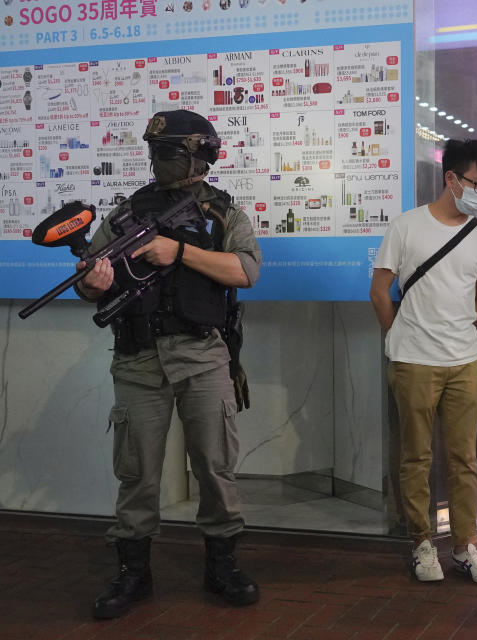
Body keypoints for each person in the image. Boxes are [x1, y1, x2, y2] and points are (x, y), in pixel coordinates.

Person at [76, 110, 262, 618]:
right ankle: (134, 571)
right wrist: (92, 283)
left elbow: (245, 270)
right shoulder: (126, 212)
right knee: (137, 472)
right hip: (138, 359)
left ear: (200, 154)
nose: (160, 161)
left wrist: (176, 251)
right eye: (155, 151)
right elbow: (93, 279)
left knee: (215, 467)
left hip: (202, 355)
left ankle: (221, 564)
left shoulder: (223, 213)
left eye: (171, 151)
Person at [369, 139, 477, 584]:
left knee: (464, 458)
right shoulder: (406, 227)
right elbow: (379, 289)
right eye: (476, 183)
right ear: (451, 179)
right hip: (413, 362)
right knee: (415, 457)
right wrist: (401, 335)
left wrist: (457, 327)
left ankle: (466, 546)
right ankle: (422, 542)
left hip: (464, 361)